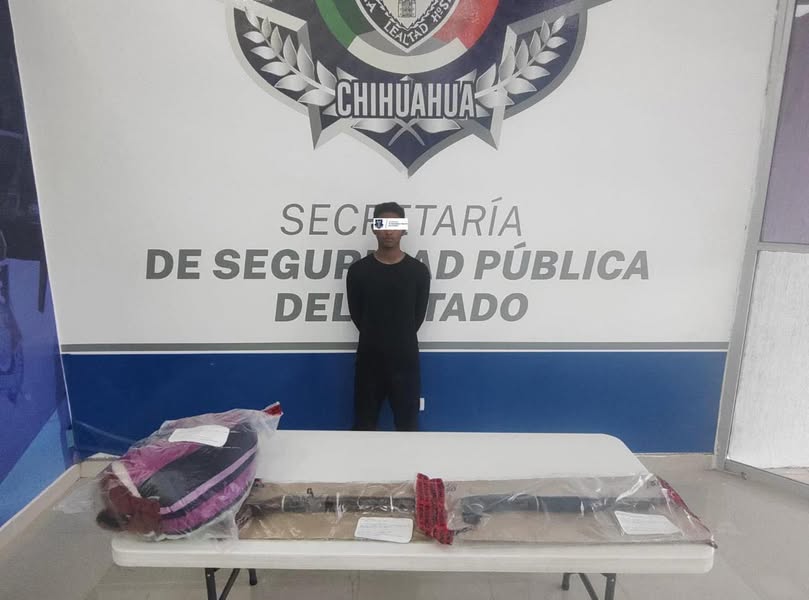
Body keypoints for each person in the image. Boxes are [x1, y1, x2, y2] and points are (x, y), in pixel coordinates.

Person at [346, 202, 431, 431]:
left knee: (408, 426)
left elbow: (417, 317)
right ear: (374, 228)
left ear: (403, 229)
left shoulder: (418, 272)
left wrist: (397, 339)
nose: (388, 231)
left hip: (405, 362)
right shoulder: (358, 271)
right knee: (364, 426)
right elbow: (357, 314)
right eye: (382, 224)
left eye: (394, 225)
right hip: (369, 362)